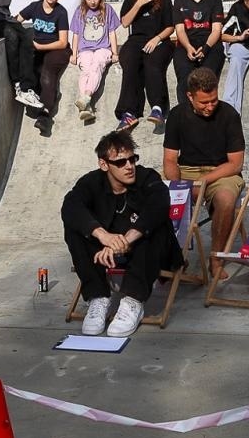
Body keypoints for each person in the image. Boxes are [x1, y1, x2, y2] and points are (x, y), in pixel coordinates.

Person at [63, 128, 184, 338]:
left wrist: (125, 241)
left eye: (132, 159)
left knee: (153, 227)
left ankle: (132, 301)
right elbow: (70, 206)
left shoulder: (147, 178)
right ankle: (98, 297)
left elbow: (159, 206)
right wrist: (104, 237)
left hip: (150, 254)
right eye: (120, 162)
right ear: (104, 164)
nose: (129, 166)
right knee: (75, 228)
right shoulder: (91, 182)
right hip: (109, 253)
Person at [162, 67, 245, 280]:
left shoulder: (229, 115)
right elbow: (170, 159)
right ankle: (173, 257)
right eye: (204, 102)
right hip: (188, 169)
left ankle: (216, 259)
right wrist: (177, 186)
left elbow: (235, 164)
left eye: (213, 101)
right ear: (190, 96)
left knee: (225, 200)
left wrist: (203, 181)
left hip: (222, 171)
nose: (210, 107)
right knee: (159, 196)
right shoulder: (177, 115)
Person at [115, 0, 175, 129]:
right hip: (136, 40)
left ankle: (158, 108)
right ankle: (129, 112)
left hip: (160, 39)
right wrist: (139, 3)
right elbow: (125, 23)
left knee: (153, 63)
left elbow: (170, 27)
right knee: (129, 62)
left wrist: (157, 38)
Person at [20, 0, 72, 131]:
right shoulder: (34, 7)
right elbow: (16, 21)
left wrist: (38, 47)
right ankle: (34, 98)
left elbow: (62, 42)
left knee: (47, 72)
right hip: (38, 48)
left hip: (57, 49)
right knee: (32, 68)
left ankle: (45, 114)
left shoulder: (61, 12)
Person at [171, 0, 226, 104]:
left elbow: (216, 30)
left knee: (207, 78)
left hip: (210, 44)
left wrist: (206, 48)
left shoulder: (214, 0)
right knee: (185, 78)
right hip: (186, 43)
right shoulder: (180, 0)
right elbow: (180, 29)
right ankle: (185, 113)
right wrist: (188, 47)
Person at [70, 0, 119, 124]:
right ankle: (86, 106)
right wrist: (74, 54)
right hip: (84, 49)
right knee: (86, 68)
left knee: (97, 64)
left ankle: (86, 97)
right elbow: (76, 35)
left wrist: (115, 52)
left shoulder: (108, 10)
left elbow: (112, 32)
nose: (92, 2)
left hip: (103, 48)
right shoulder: (80, 11)